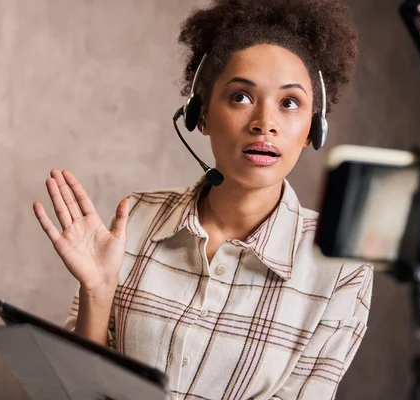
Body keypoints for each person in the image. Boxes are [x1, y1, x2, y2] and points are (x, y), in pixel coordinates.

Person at [33, 0, 373, 398]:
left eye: (290, 103)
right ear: (202, 113)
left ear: (314, 128)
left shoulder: (340, 265)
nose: (265, 122)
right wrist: (97, 291)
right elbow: (76, 392)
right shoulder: (137, 219)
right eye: (241, 97)